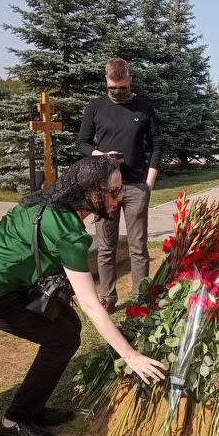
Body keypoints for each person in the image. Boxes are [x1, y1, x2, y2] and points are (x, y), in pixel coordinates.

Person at [0, 156, 167, 436]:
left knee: (67, 327)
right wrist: (130, 356)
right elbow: (91, 303)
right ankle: (13, 422)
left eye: (120, 190)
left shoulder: (47, 200)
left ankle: (33, 408)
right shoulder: (69, 232)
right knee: (62, 339)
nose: (118, 197)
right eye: (113, 191)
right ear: (90, 194)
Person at [77, 58, 162, 312]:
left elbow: (157, 145)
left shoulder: (144, 108)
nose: (117, 92)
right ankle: (109, 297)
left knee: (138, 247)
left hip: (136, 186)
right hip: (104, 188)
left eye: (122, 87)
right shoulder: (95, 107)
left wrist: (149, 183)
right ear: (106, 81)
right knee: (105, 247)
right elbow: (81, 143)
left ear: (130, 80)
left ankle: (140, 298)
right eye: (113, 88)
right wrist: (100, 156)